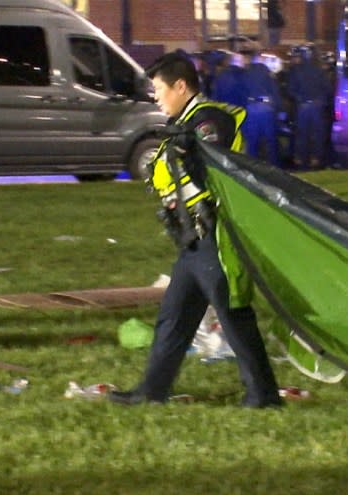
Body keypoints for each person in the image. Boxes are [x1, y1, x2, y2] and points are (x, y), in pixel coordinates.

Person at [109, 52, 282, 408]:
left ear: (181, 86)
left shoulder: (209, 120)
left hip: (213, 237)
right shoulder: (185, 123)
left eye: (159, 89)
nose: (156, 97)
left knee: (234, 317)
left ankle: (263, 396)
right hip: (192, 241)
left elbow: (212, 165)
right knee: (174, 317)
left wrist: (189, 150)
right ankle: (152, 391)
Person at [287, 44, 331, 170]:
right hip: (316, 106)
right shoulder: (319, 71)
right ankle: (315, 159)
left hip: (303, 107)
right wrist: (321, 101)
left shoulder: (295, 71)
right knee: (317, 134)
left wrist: (299, 99)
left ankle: (300, 159)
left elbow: (290, 90)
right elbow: (327, 89)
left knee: (302, 133)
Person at [241, 50, 282, 166]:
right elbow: (274, 91)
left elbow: (242, 91)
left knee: (252, 141)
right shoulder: (266, 72)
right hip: (265, 108)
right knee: (271, 140)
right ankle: (274, 166)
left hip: (251, 108)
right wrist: (279, 108)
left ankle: (252, 167)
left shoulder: (245, 72)